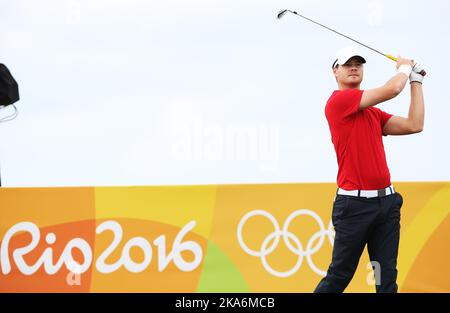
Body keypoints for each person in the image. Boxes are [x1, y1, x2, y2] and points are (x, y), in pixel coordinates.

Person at [314, 46, 425, 293]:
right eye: (347, 64)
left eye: (358, 64)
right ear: (335, 71)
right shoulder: (338, 102)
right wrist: (405, 67)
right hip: (354, 207)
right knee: (339, 276)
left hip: (386, 205)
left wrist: (415, 82)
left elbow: (414, 124)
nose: (354, 67)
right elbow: (392, 89)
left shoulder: (373, 113)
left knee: (386, 280)